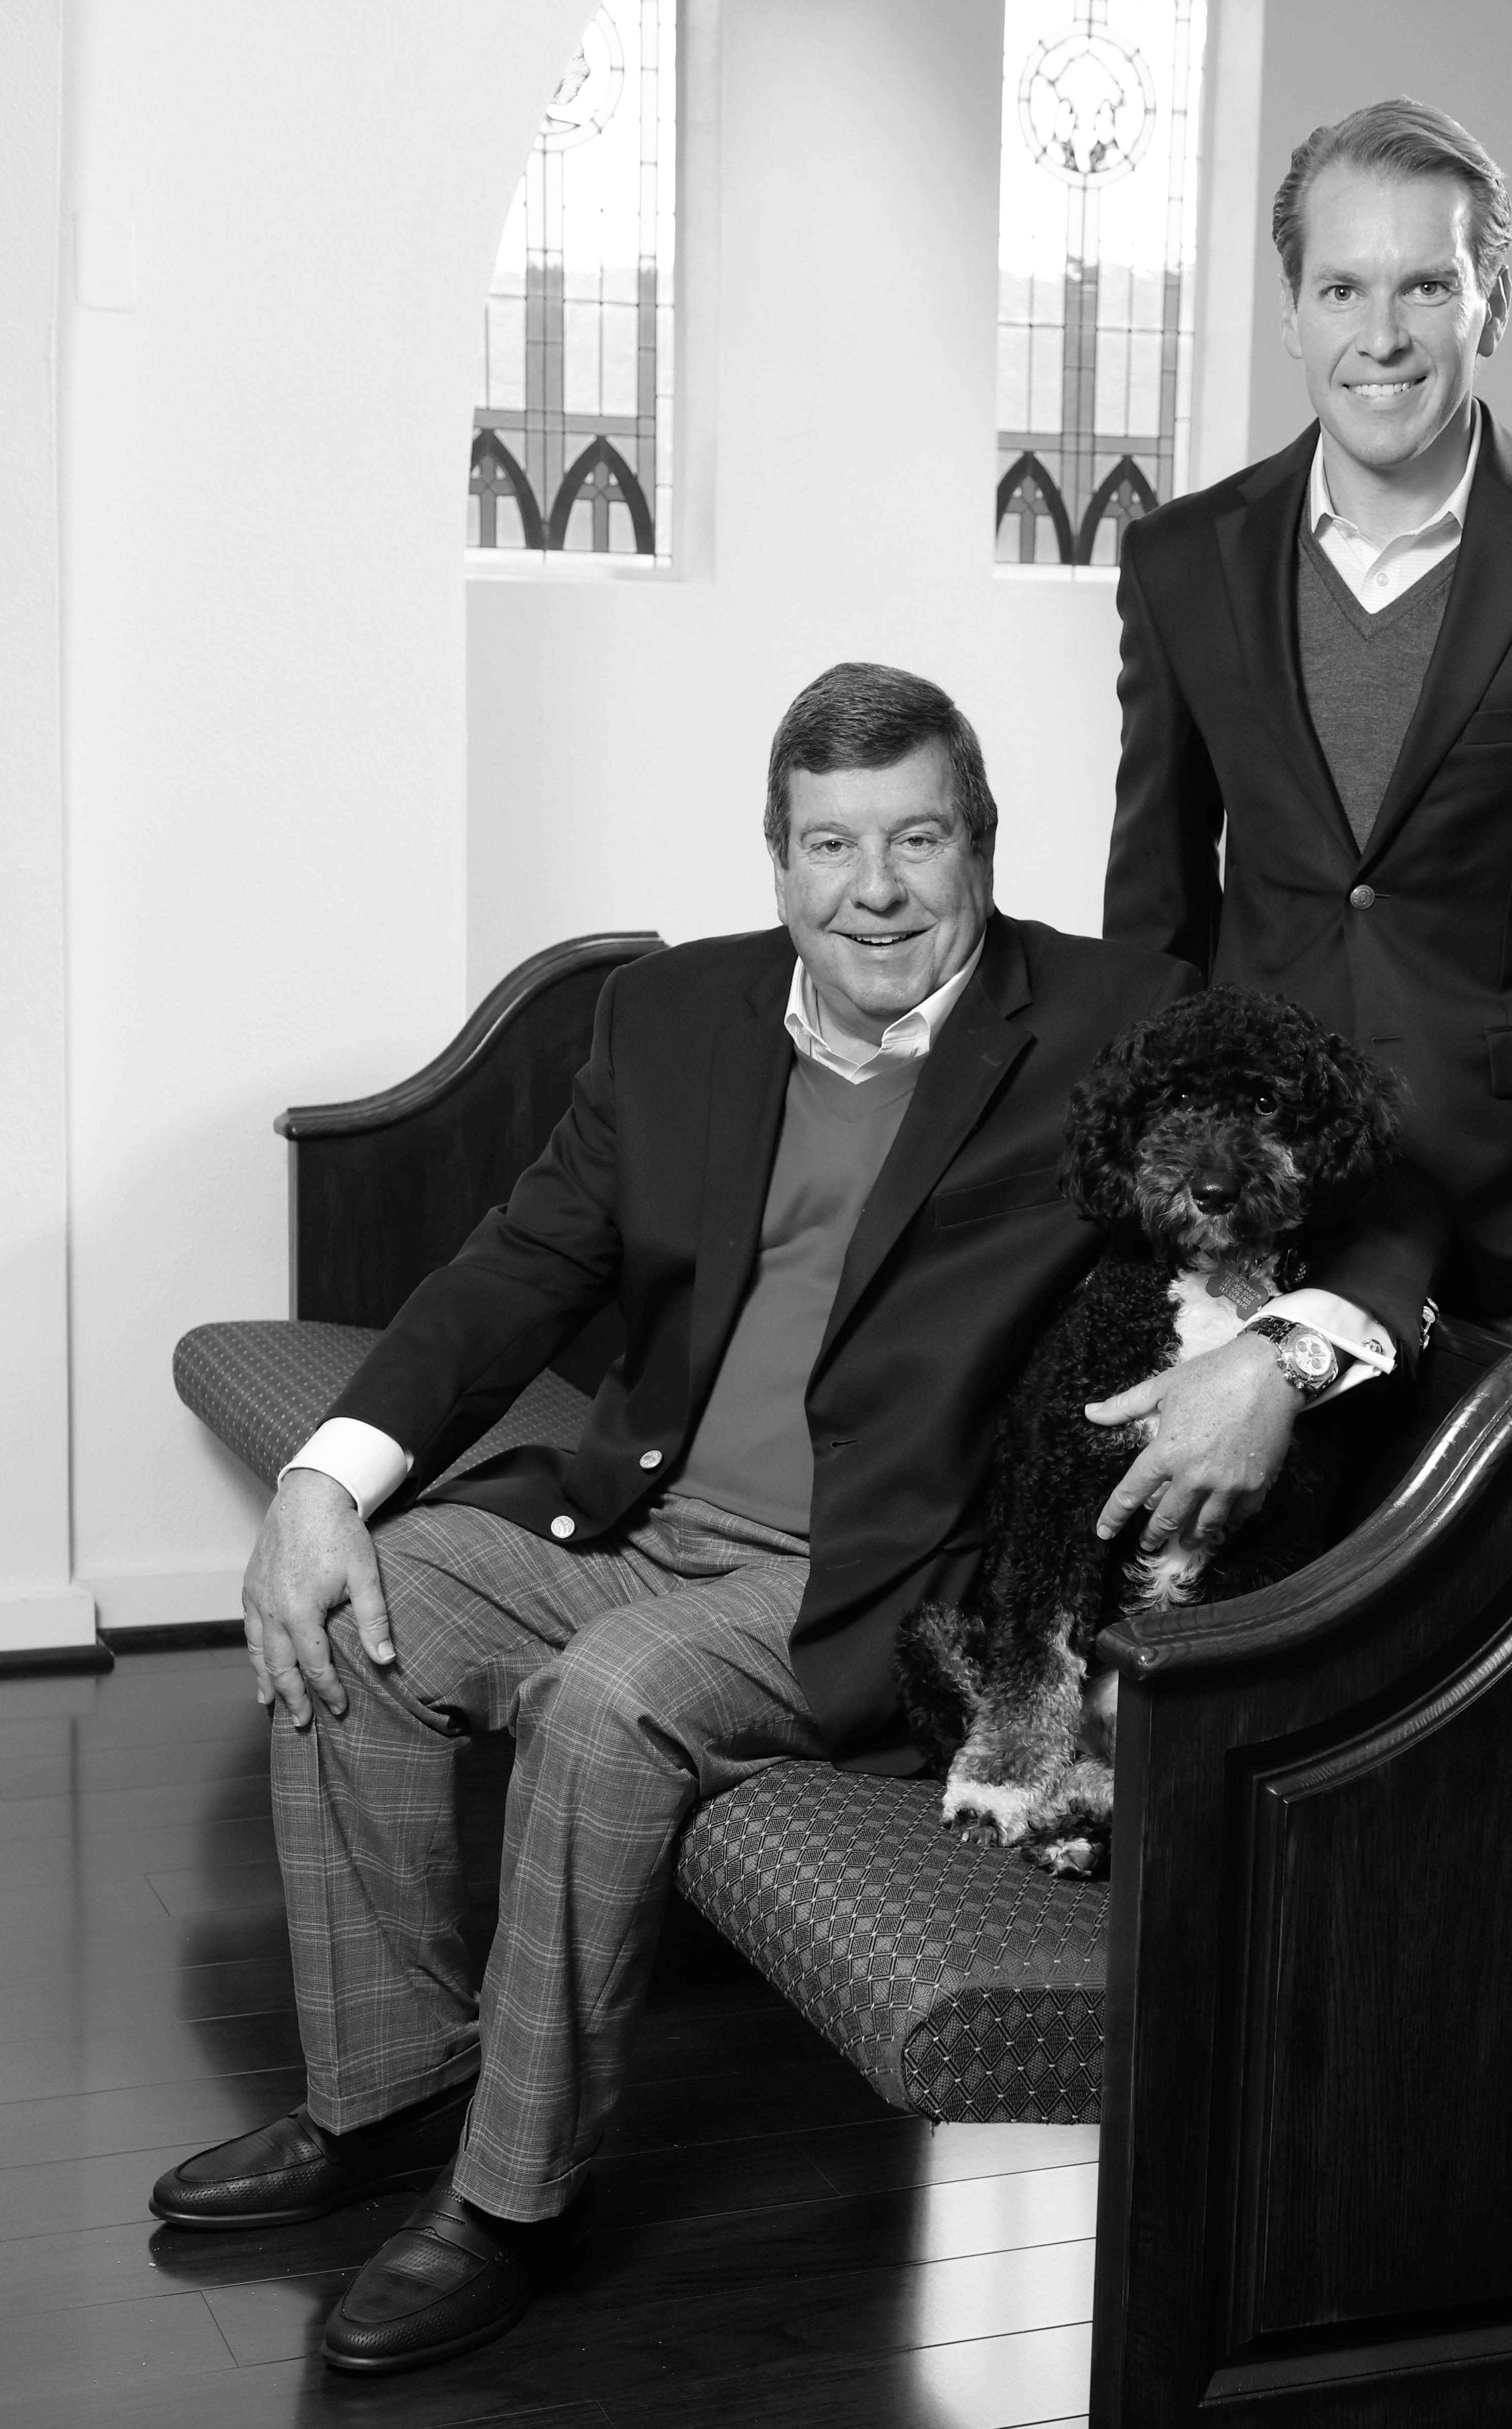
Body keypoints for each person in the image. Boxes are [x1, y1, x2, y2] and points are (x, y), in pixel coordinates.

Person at [148, 664, 1205, 2376]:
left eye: (918, 839)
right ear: (777, 859)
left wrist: (1281, 1355)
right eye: (831, 845)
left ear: (983, 846)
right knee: (363, 1605)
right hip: (637, 1521)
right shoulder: (672, 1016)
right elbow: (520, 1267)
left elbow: (1322, 1177)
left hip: (876, 1578)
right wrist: (324, 1481)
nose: (875, 890)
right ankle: (389, 2091)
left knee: (611, 1700)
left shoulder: (1119, 1017)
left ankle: (511, 2200)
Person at [1096, 97, 1512, 1528]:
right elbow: (1155, 908)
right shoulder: (1182, 561)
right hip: (1268, 1229)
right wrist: (1170, 1194)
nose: (1380, 335)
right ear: (1291, 311)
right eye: (1341, 288)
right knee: (1250, 1625)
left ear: (1489, 301)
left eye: (1425, 287)